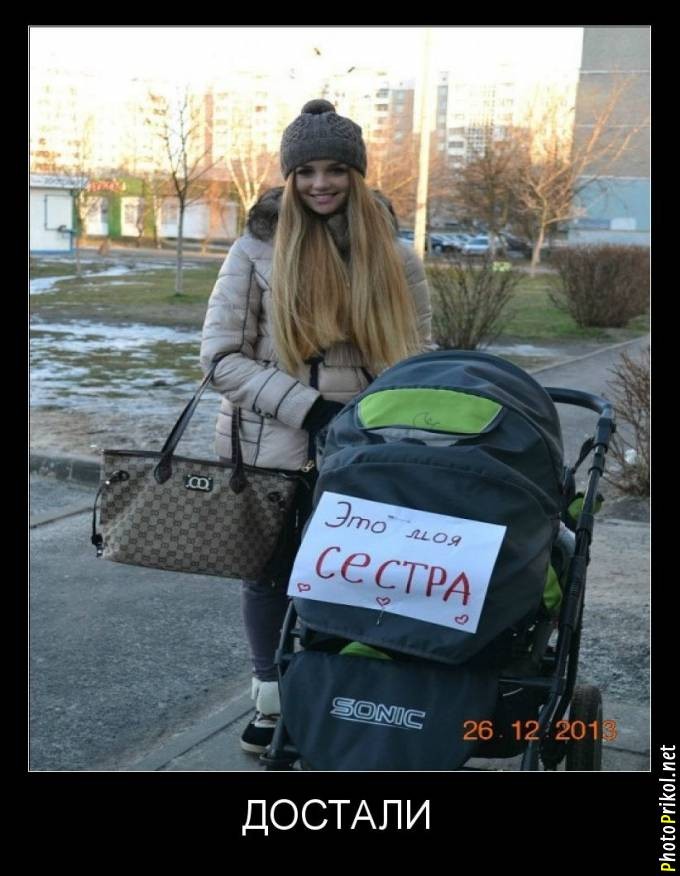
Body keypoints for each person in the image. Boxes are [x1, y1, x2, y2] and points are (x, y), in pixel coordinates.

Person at [200, 98, 433, 754]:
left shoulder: (395, 257)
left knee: (348, 580)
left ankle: (329, 698)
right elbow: (219, 359)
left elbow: (419, 356)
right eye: (305, 171)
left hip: (362, 451)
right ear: (289, 176)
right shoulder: (255, 250)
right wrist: (309, 409)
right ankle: (272, 702)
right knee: (268, 576)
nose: (320, 183)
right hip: (267, 447)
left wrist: (379, 423)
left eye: (334, 169)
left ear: (356, 174)